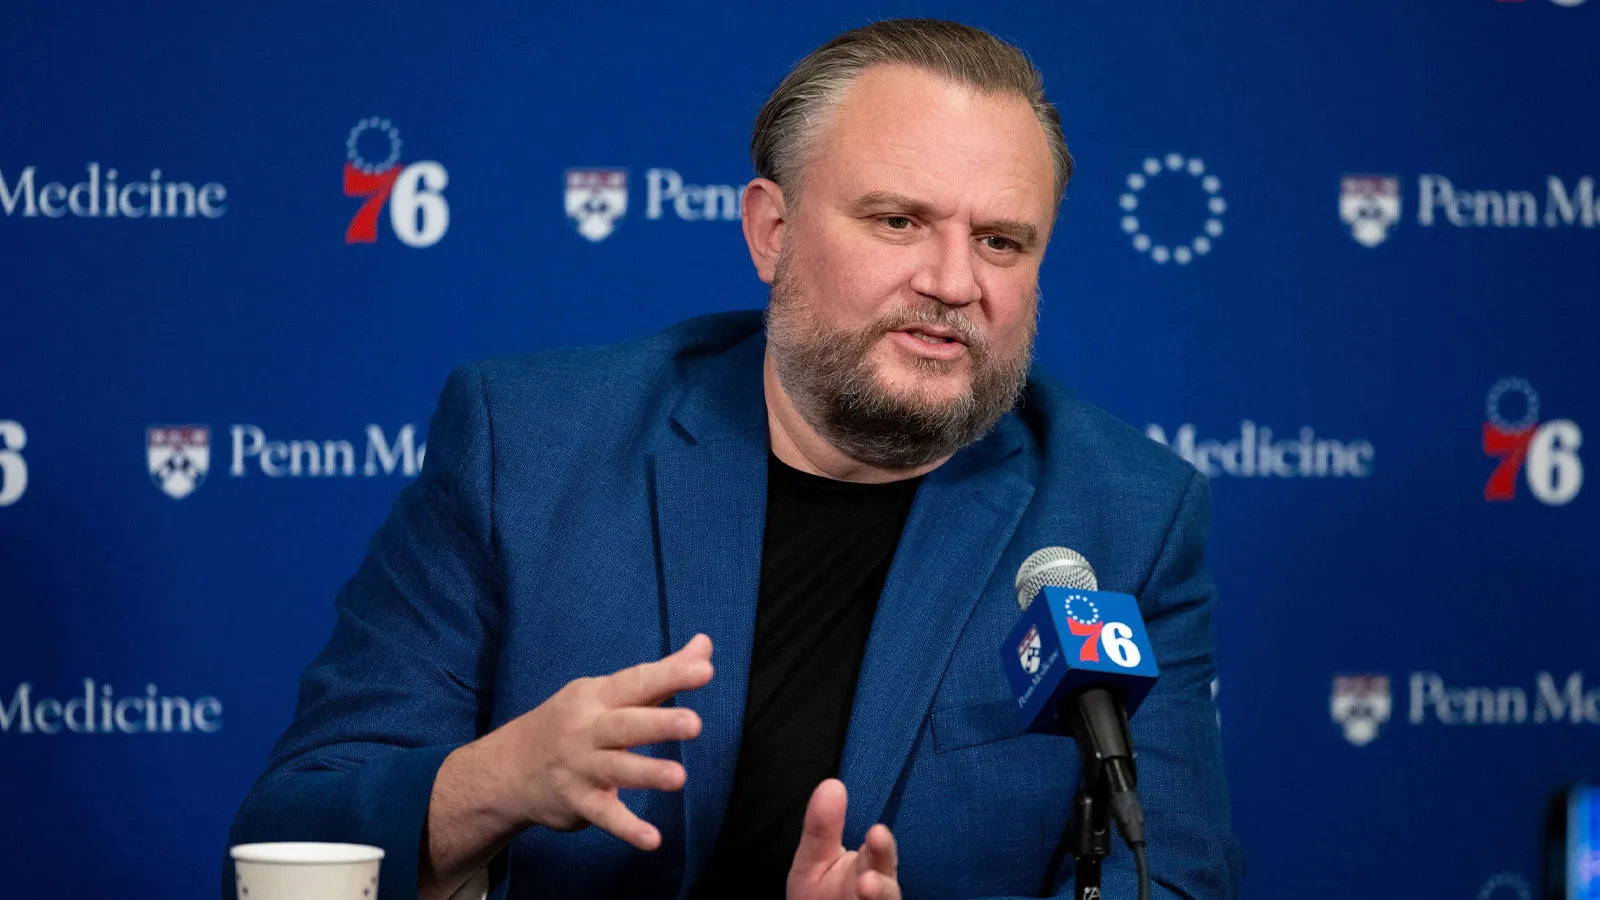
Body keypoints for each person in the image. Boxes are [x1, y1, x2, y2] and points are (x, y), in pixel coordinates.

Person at [227, 18, 1245, 900]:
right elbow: (284, 842)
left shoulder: (1123, 515)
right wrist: (501, 778)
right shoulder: (528, 446)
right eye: (899, 221)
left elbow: (1171, 877)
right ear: (771, 230)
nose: (952, 280)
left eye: (1002, 243)